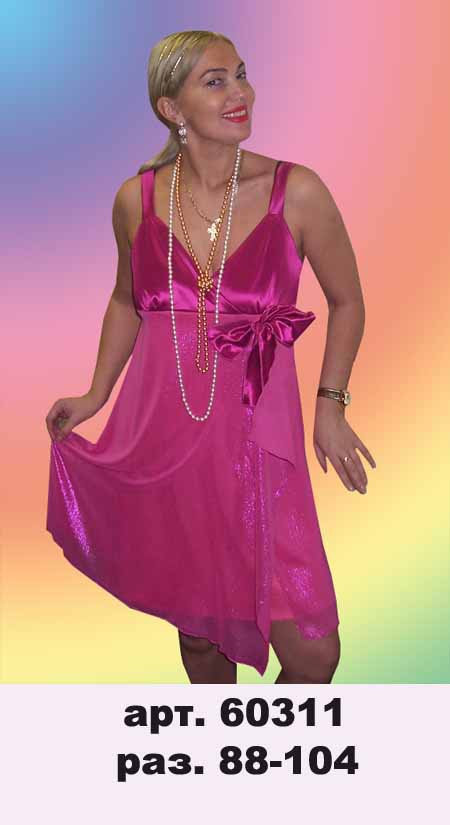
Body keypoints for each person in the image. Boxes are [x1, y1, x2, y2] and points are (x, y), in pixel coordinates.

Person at [45, 29, 376, 684]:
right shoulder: (136, 200)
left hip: (260, 440)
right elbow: (126, 301)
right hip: (167, 438)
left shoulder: (296, 191)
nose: (239, 92)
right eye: (215, 81)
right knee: (201, 640)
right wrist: (94, 395)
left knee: (314, 654)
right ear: (172, 108)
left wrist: (331, 404)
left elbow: (348, 301)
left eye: (241, 75)